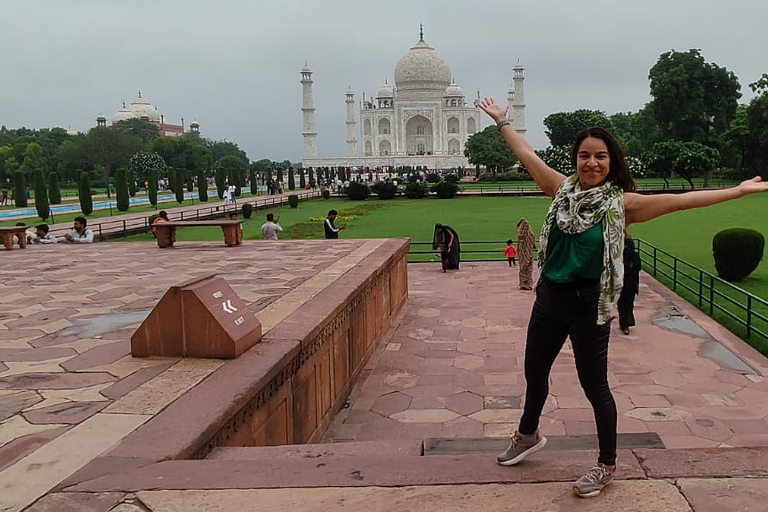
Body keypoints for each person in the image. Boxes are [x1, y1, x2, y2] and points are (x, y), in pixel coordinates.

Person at [478, 97, 768, 499]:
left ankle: (607, 464)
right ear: (575, 159)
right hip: (550, 298)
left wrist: (738, 191)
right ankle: (527, 435)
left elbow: (683, 201)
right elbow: (525, 152)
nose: (591, 163)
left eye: (600, 156)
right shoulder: (560, 190)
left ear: (611, 161)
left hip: (589, 304)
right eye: (584, 156)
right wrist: (502, 121)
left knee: (594, 386)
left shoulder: (623, 206)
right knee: (534, 373)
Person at [617, 233, 641, 335]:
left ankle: (625, 324)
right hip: (628, 283)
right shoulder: (630, 256)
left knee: (624, 304)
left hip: (627, 283)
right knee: (626, 304)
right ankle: (624, 323)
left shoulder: (622, 256)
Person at [516, 218, 535, 289]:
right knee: (525, 267)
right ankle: (524, 283)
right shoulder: (523, 234)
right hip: (526, 253)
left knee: (526, 267)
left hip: (526, 253)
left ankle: (526, 283)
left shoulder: (522, 234)